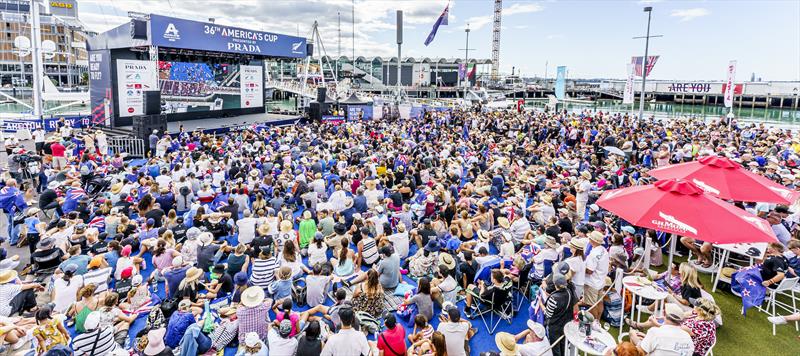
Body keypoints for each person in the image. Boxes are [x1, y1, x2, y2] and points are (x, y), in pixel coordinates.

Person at [629, 303, 695, 356]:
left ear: (663, 314)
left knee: (633, 333)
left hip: (648, 350)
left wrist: (639, 343)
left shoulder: (655, 332)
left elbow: (642, 352)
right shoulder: (688, 338)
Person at [584, 231, 609, 322]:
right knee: (599, 302)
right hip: (600, 280)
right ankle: (598, 320)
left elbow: (590, 270)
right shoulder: (603, 250)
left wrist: (581, 267)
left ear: (592, 240)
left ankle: (595, 322)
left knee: (591, 304)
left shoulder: (594, 254)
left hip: (592, 282)